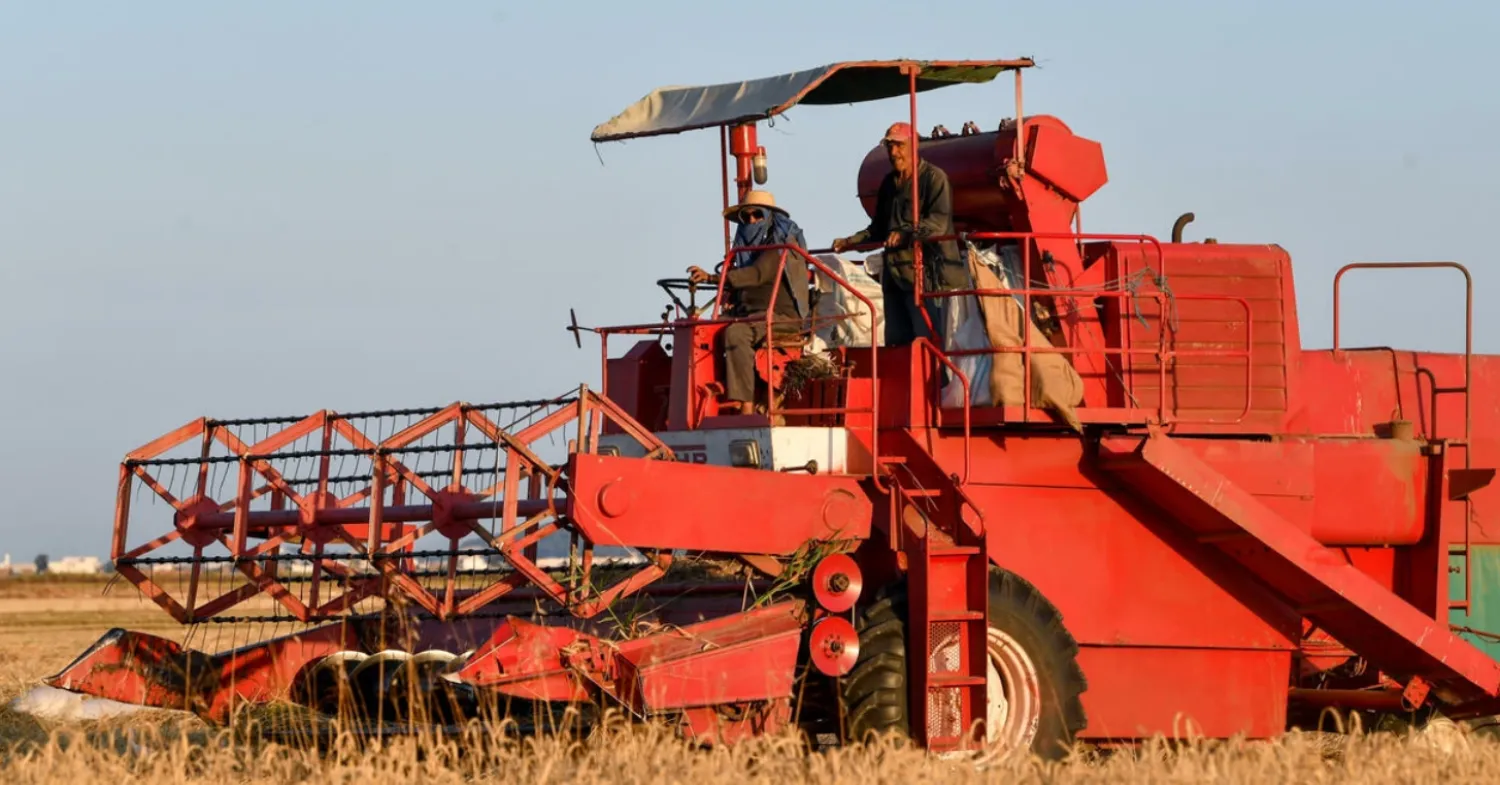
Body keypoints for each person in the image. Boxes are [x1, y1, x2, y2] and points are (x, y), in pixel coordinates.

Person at [831, 122, 963, 347]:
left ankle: (938, 382)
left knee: (928, 343)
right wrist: (849, 242)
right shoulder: (888, 184)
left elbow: (939, 223)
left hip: (929, 275)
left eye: (899, 146)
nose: (893, 153)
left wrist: (906, 234)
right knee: (897, 343)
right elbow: (879, 229)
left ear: (914, 146)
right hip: (895, 275)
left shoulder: (934, 178)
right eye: (889, 146)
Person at [686, 190, 811, 415]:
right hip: (750, 314)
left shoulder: (778, 248)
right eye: (746, 217)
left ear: (770, 218)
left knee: (737, 333)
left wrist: (714, 278)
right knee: (702, 330)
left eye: (757, 215)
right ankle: (700, 401)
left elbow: (756, 274)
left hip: (781, 318)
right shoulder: (741, 252)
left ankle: (746, 405)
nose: (751, 221)